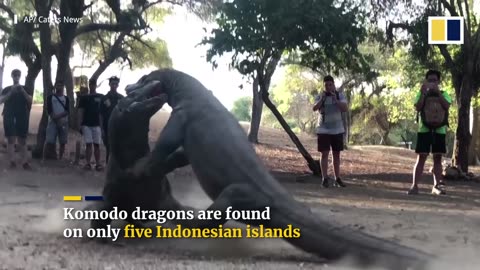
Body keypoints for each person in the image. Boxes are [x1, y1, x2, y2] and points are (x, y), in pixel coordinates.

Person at [408, 69, 451, 195]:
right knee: (421, 157)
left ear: (439, 82)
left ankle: (437, 186)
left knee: (437, 158)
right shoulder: (421, 93)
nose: (432, 82)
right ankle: (414, 186)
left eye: (435, 80)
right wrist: (422, 93)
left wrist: (439, 94)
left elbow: (447, 106)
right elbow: (417, 107)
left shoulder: (444, 93)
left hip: (440, 130)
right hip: (424, 129)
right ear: (426, 81)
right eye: (430, 80)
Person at [312, 75, 348, 188]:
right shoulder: (320, 96)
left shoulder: (339, 95)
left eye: (330, 84)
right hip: (323, 129)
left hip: (337, 129)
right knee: (324, 153)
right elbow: (314, 108)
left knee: (336, 154)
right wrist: (322, 99)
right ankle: (324, 178)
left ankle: (337, 178)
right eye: (326, 85)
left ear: (334, 85)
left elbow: (345, 108)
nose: (328, 87)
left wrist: (335, 100)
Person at [0, 69, 33, 169]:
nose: (16, 77)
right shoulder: (6, 89)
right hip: (9, 115)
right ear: (11, 76)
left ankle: (25, 162)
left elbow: (30, 100)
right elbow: (1, 100)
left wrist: (22, 91)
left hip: (22, 116)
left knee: (22, 139)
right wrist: (11, 92)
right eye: (15, 75)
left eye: (18, 75)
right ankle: (12, 161)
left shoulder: (25, 88)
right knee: (11, 138)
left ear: (20, 76)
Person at [77, 80, 104, 171]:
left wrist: (102, 125)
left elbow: (102, 113)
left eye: (93, 84)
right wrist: (79, 124)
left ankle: (98, 163)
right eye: (91, 84)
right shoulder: (84, 98)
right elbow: (80, 111)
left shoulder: (101, 97)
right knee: (88, 144)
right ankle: (87, 163)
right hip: (86, 124)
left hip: (97, 125)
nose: (92, 86)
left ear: (96, 85)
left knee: (97, 145)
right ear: (89, 85)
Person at [100, 76, 124, 162]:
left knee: (118, 148)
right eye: (112, 83)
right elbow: (101, 114)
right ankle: (108, 167)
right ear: (109, 84)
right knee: (109, 148)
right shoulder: (104, 98)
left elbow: (125, 113)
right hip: (107, 127)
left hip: (119, 128)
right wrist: (102, 129)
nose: (114, 85)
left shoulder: (121, 98)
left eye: (116, 84)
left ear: (118, 85)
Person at [44, 81, 70, 160]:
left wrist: (58, 117)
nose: (59, 87)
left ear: (63, 87)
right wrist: (54, 117)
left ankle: (60, 157)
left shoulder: (66, 98)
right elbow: (49, 110)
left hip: (63, 122)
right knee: (50, 140)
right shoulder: (50, 97)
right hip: (52, 122)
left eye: (61, 85)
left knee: (63, 141)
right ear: (55, 87)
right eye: (58, 85)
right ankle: (49, 156)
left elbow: (67, 111)